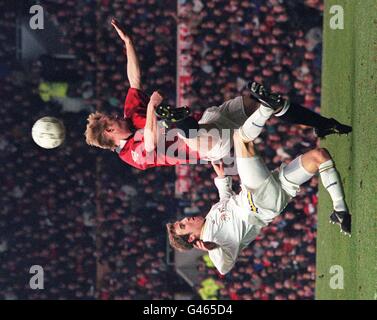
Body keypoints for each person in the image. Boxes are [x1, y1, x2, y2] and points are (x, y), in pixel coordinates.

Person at [85, 20, 351, 170]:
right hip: (208, 145)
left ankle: (324, 124)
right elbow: (152, 143)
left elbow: (134, 79)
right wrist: (154, 108)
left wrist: (128, 43)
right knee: (191, 139)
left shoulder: (130, 113)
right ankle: (178, 120)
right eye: (113, 120)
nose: (118, 118)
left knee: (255, 103)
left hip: (206, 119)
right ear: (109, 132)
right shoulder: (130, 154)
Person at [166, 130, 351, 275]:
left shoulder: (210, 217)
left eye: (181, 220)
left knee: (319, 156)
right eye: (183, 225)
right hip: (257, 202)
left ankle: (340, 211)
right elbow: (223, 268)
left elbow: (226, 201)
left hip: (272, 196)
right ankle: (267, 104)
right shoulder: (215, 242)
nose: (186, 219)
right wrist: (211, 249)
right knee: (241, 139)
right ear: (191, 238)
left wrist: (222, 178)